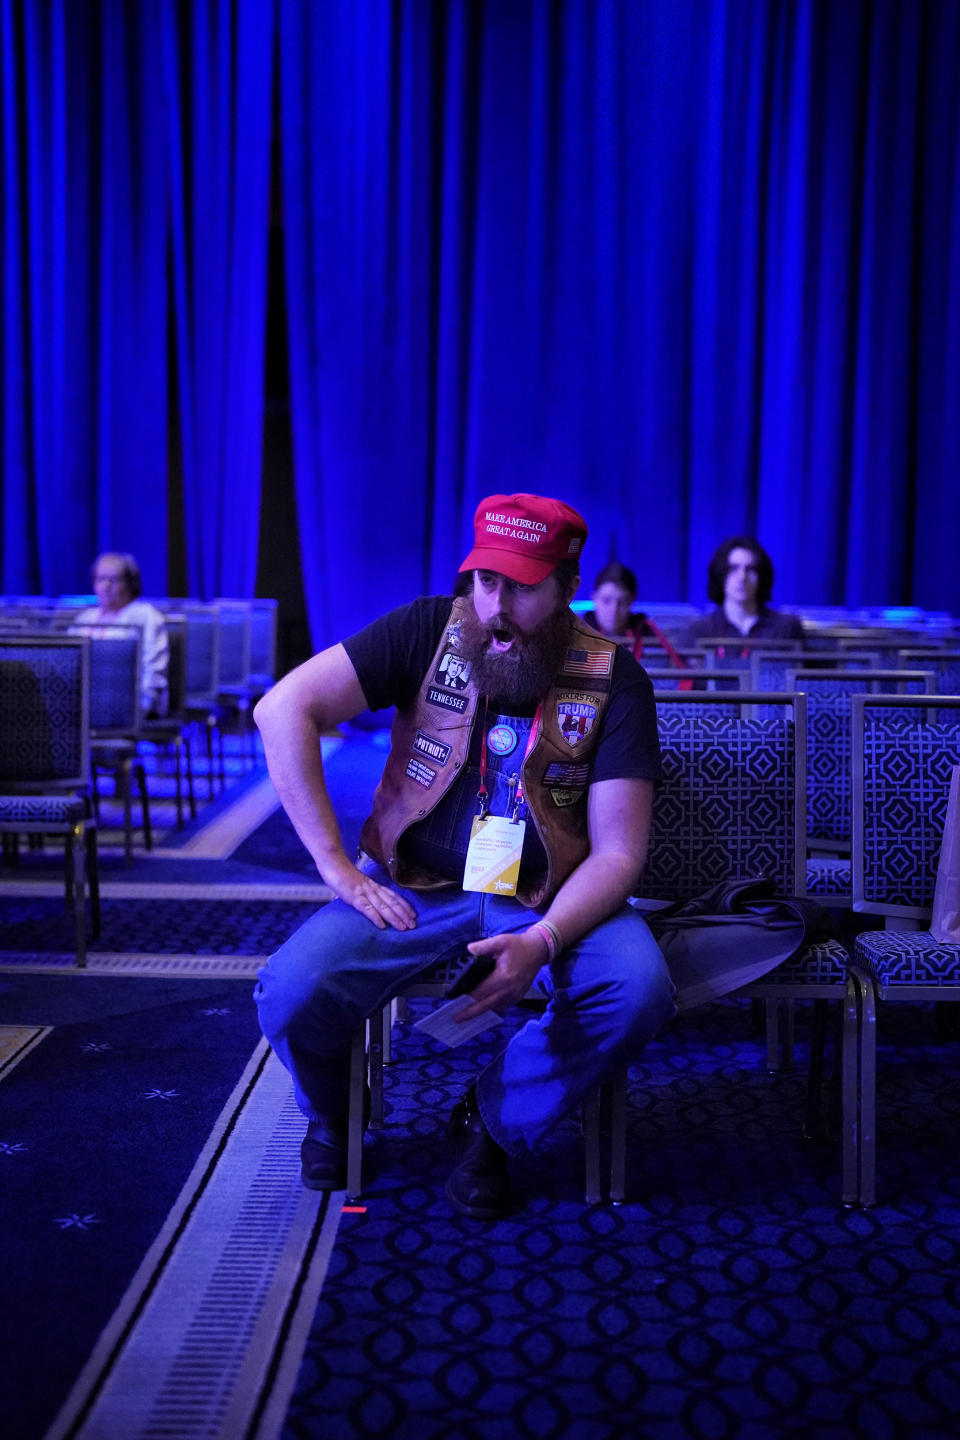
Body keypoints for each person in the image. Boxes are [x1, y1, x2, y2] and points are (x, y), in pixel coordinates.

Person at [253, 493, 676, 1219]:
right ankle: (335, 1112)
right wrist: (334, 865)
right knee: (290, 990)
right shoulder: (426, 630)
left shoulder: (615, 681)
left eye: (521, 586)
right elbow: (282, 708)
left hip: (549, 895)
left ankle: (491, 1122)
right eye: (485, 580)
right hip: (419, 887)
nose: (495, 606)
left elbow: (619, 853)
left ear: (567, 585)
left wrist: (543, 941)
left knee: (638, 988)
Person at [75, 552, 170, 719]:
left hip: (131, 706)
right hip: (84, 704)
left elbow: (153, 673)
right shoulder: (85, 618)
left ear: (130, 584)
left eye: (113, 579)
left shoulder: (146, 617)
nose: (106, 585)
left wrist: (138, 707)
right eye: (100, 579)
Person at [678, 536, 804, 650]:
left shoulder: (786, 628)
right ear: (720, 575)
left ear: (762, 576)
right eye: (733, 569)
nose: (742, 577)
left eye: (750, 569)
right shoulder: (700, 631)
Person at [584, 561, 688, 669]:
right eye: (606, 601)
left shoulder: (649, 636)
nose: (613, 610)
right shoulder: (577, 632)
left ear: (632, 601)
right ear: (594, 597)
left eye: (622, 602)